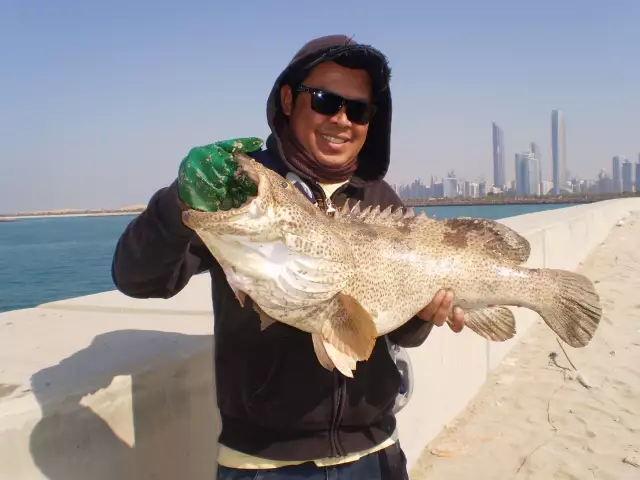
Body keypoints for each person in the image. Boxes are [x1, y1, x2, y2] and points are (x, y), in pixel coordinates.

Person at [111, 34, 466, 480]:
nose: (342, 120)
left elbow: (393, 331)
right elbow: (137, 279)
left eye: (359, 110)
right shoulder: (240, 191)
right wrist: (176, 202)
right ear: (287, 99)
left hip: (376, 453)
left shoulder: (382, 200)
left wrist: (425, 314)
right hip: (264, 465)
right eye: (324, 101)